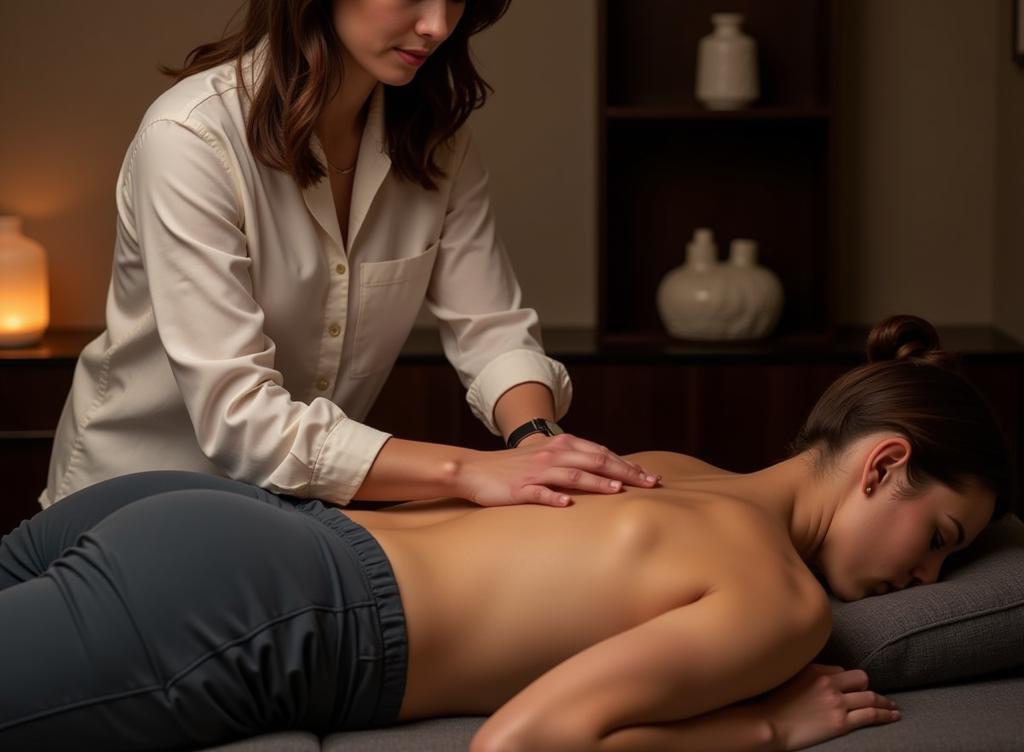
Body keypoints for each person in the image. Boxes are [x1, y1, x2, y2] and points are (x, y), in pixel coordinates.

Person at [2, 315, 1010, 751]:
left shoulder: (679, 471)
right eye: (940, 536)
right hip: (261, 607)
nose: (924, 577)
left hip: (200, 514)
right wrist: (768, 727)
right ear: (882, 463)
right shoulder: (779, 602)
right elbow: (523, 740)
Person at [43, 0, 656, 511]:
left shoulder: (436, 140)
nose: (437, 26)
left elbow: (491, 331)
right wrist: (470, 472)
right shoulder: (190, 140)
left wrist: (538, 441)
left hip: (289, 515)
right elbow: (240, 419)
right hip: (129, 509)